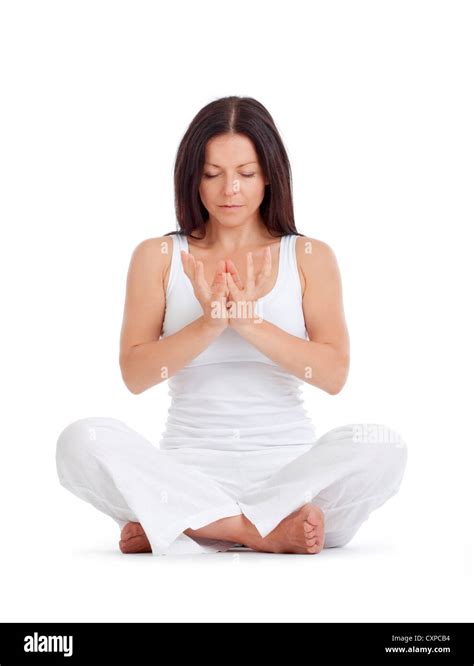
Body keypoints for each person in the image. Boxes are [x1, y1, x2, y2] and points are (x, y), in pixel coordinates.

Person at [56, 96, 408, 556]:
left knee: (385, 447)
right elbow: (135, 375)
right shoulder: (156, 256)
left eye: (245, 172)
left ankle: (188, 524)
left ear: (269, 175)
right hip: (185, 471)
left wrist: (250, 322)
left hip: (291, 477)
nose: (230, 190)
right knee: (80, 440)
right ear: (192, 178)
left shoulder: (308, 256)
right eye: (212, 174)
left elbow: (333, 375)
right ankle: (253, 531)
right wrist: (208, 324)